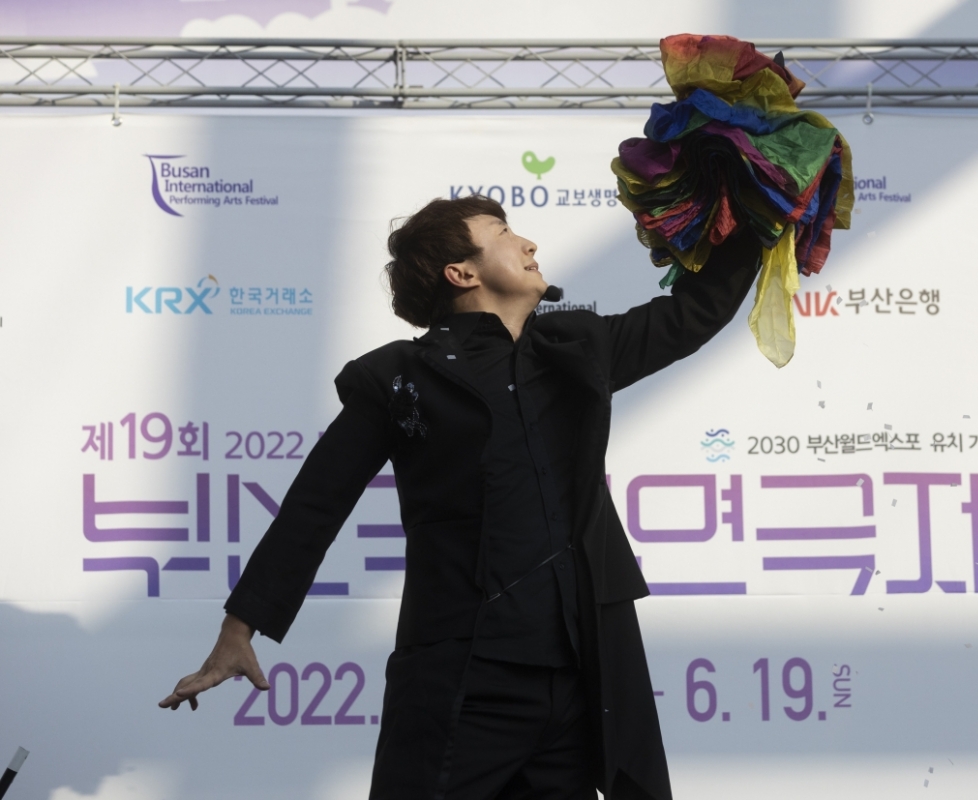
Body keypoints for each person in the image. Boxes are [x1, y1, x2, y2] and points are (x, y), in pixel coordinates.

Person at [160, 195, 761, 799]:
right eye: (503, 233)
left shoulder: (578, 348)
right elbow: (315, 505)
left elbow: (696, 310)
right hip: (463, 678)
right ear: (461, 273)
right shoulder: (400, 378)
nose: (528, 244)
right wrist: (241, 628)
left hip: (581, 677)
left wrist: (759, 211)